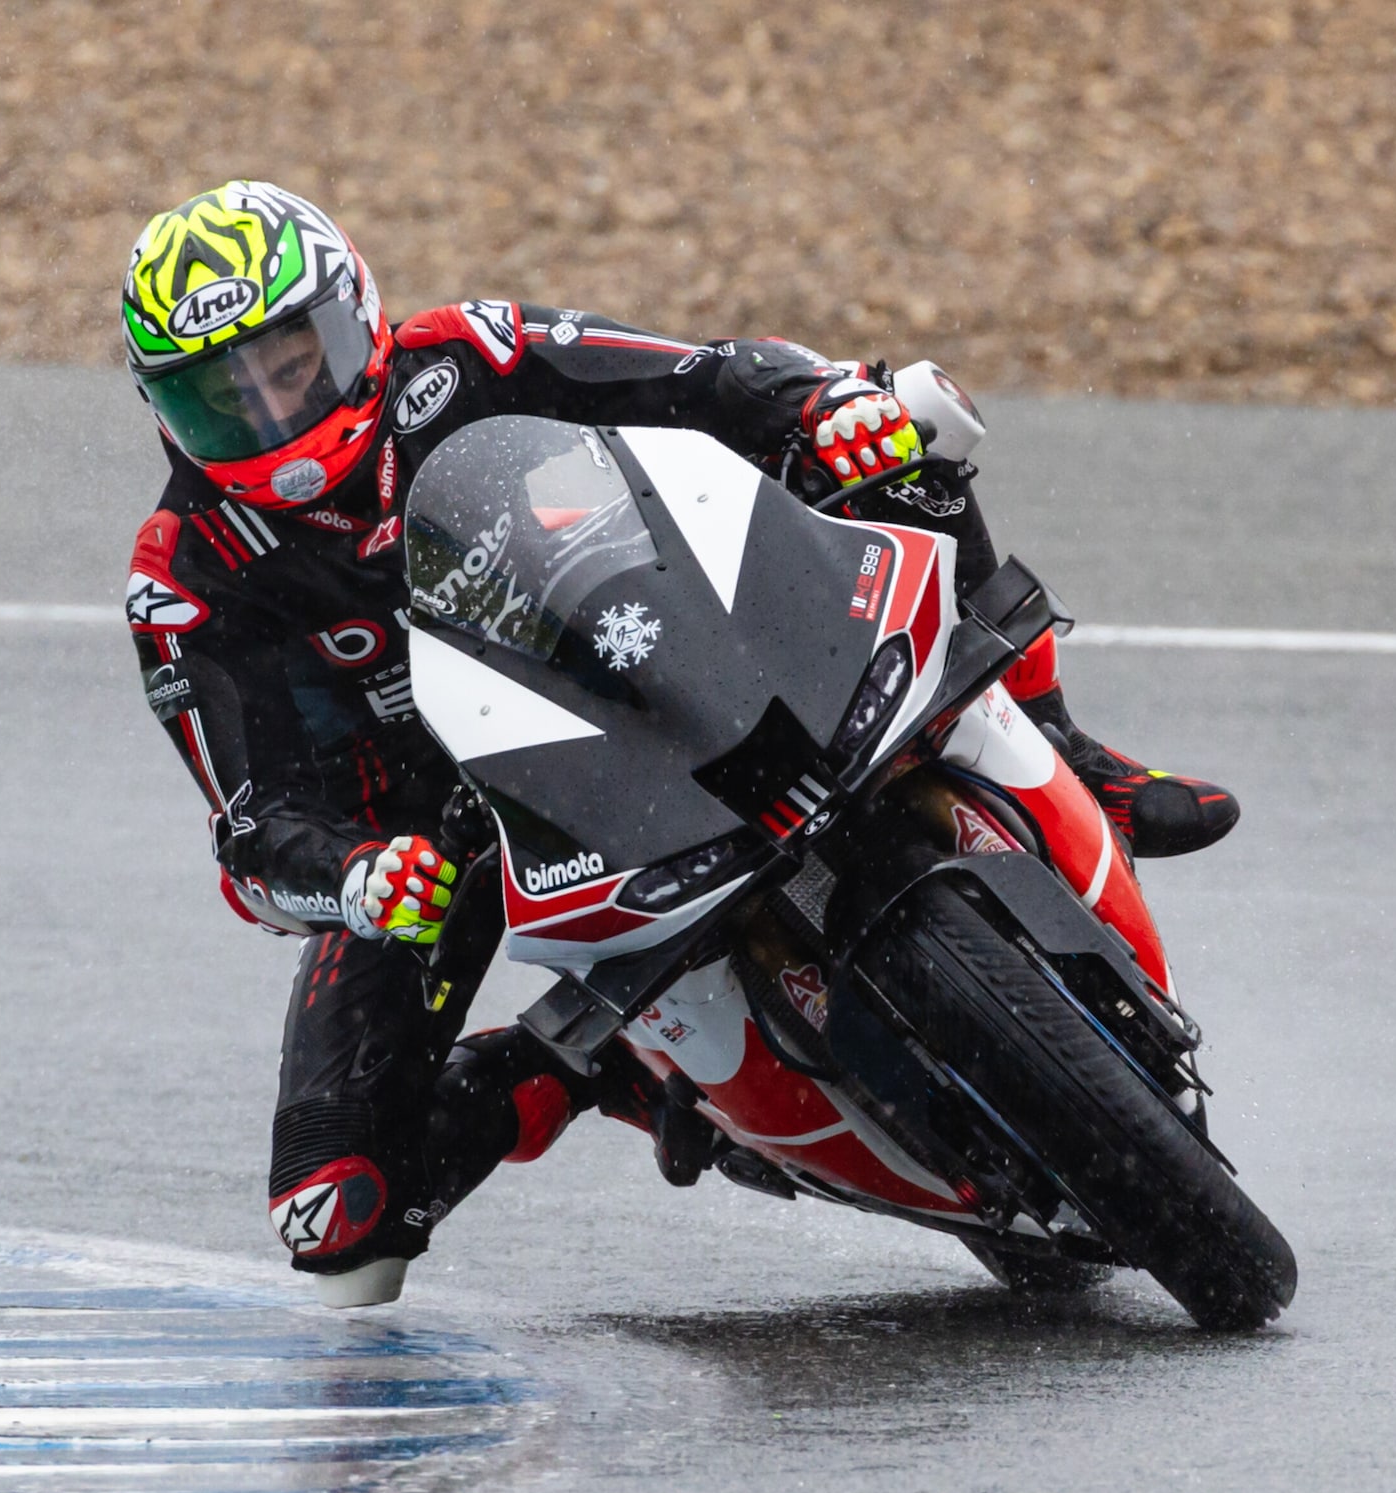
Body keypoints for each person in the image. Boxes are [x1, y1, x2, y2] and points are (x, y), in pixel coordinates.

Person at [118, 181, 1238, 1305]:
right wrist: (353, 875)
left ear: (355, 318)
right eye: (224, 395)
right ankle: (594, 1069)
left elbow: (703, 380)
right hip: (446, 832)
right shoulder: (183, 579)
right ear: (166, 407)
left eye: (288, 362)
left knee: (897, 431)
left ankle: (1068, 750)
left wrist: (823, 405)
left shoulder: (470, 352)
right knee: (337, 1215)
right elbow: (254, 828)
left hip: (650, 630)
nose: (271, 413)